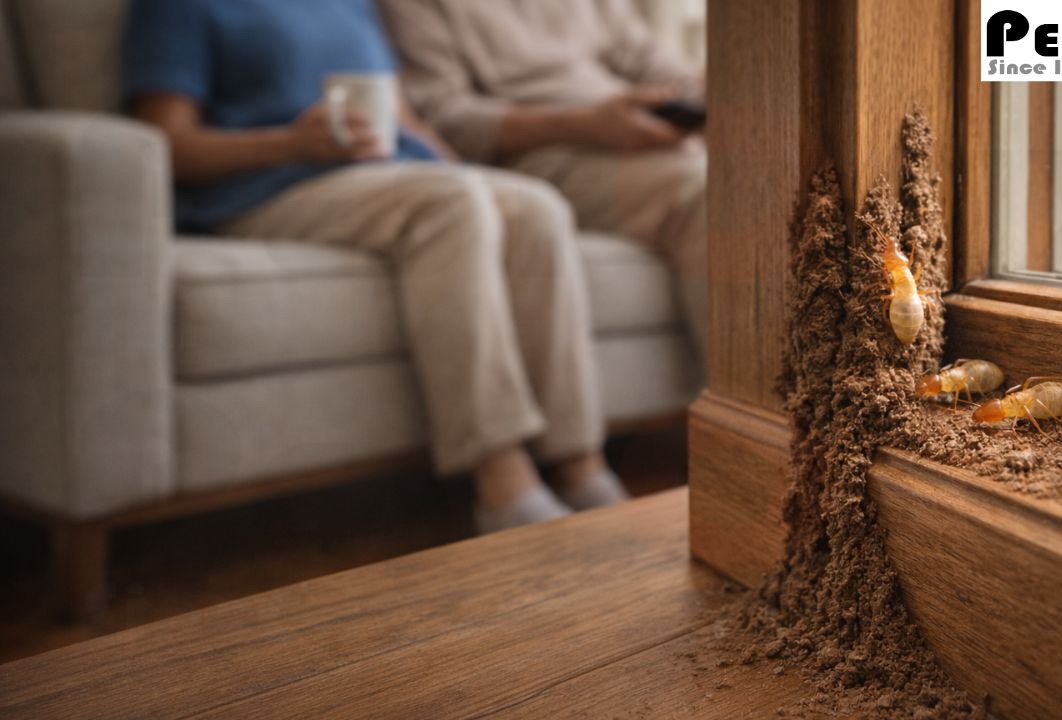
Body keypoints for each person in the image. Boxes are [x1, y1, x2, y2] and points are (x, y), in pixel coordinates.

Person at [124, 0, 630, 533]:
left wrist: (472, 179)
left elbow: (402, 116)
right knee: (449, 205)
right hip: (269, 183)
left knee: (534, 206)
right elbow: (166, 140)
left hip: (383, 174)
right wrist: (289, 143)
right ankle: (501, 478)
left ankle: (579, 464)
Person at [378, 0, 709, 360]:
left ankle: (766, 405)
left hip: (646, 140)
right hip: (541, 154)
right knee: (714, 194)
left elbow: (656, 64)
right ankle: (754, 403)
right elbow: (442, 119)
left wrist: (695, 100)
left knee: (759, 182)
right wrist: (584, 124)